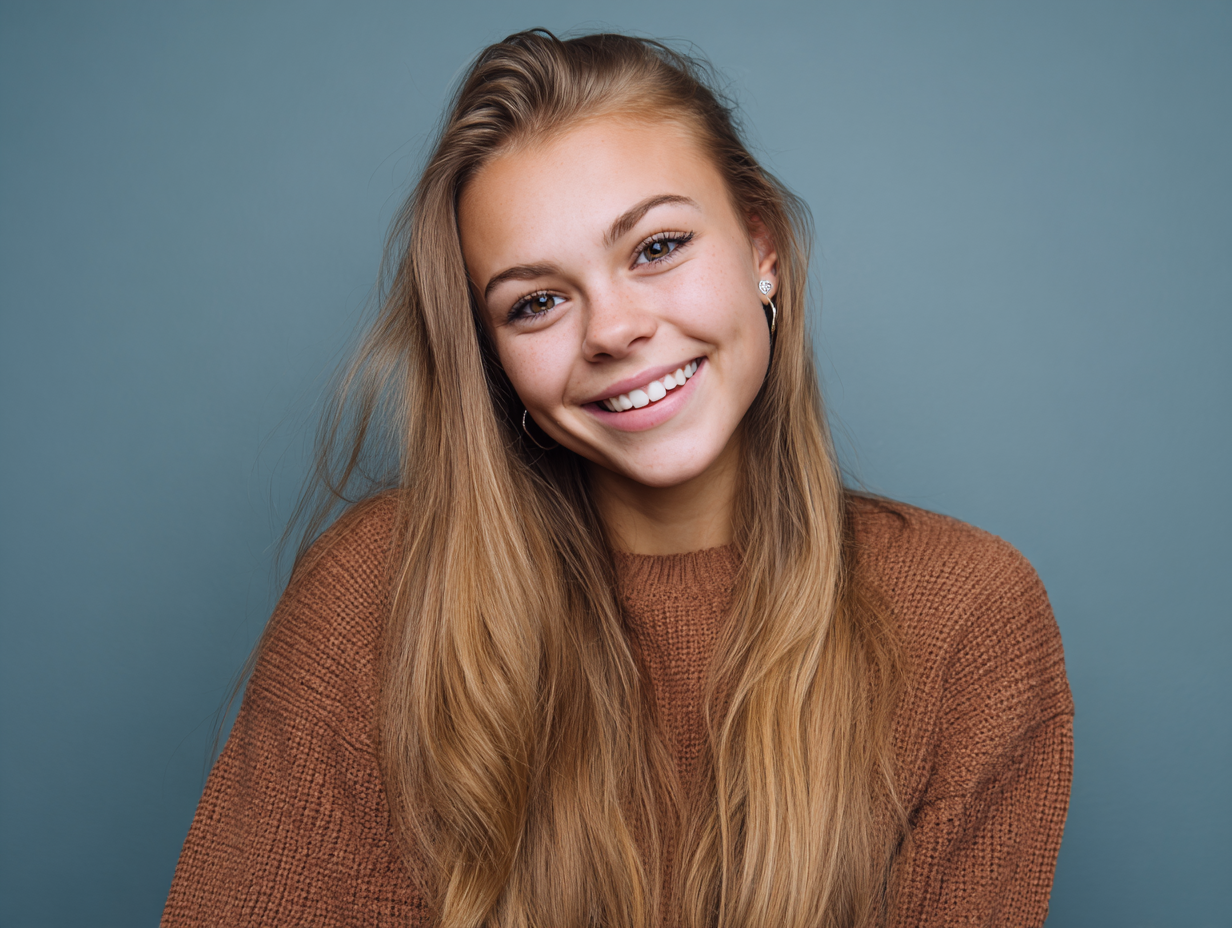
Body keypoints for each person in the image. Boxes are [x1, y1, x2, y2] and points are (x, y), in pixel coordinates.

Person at [162, 30, 1073, 928]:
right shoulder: (379, 597)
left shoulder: (967, 617)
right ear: (493, 358)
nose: (612, 330)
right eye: (537, 302)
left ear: (763, 250)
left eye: (656, 248)